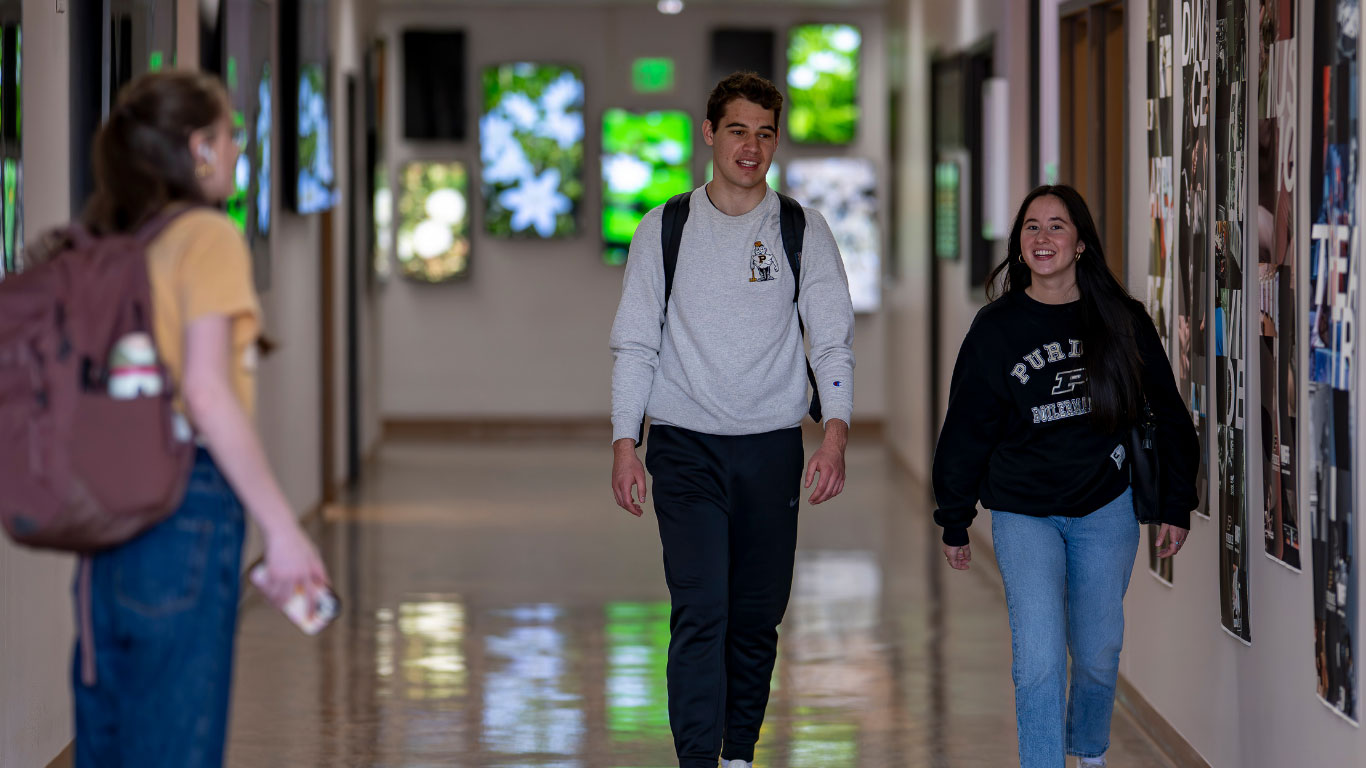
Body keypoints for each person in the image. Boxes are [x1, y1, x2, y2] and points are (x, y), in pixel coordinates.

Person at [71, 71, 330, 767]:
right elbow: (208, 394)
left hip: (109, 522)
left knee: (116, 742)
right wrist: (283, 531)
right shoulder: (207, 237)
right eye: (231, 136)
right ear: (200, 149)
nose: (240, 149)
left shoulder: (118, 237)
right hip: (186, 506)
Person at [609, 71, 855, 768]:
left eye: (766, 132)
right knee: (700, 611)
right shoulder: (666, 228)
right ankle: (697, 760)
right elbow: (635, 342)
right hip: (684, 446)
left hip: (771, 447)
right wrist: (626, 443)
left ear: (776, 142)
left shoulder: (801, 229)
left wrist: (833, 432)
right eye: (738, 130)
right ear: (710, 133)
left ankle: (737, 754)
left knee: (754, 619)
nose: (752, 146)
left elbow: (832, 339)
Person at [932, 185, 1199, 768]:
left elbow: (1168, 411)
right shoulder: (996, 328)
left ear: (1080, 242)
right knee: (1040, 659)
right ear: (1019, 243)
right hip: (1023, 511)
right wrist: (954, 518)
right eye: (1032, 226)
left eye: (1057, 226)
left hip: (1106, 506)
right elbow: (966, 428)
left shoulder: (1120, 319)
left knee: (1099, 652)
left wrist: (1176, 502)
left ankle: (1089, 751)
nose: (1043, 237)